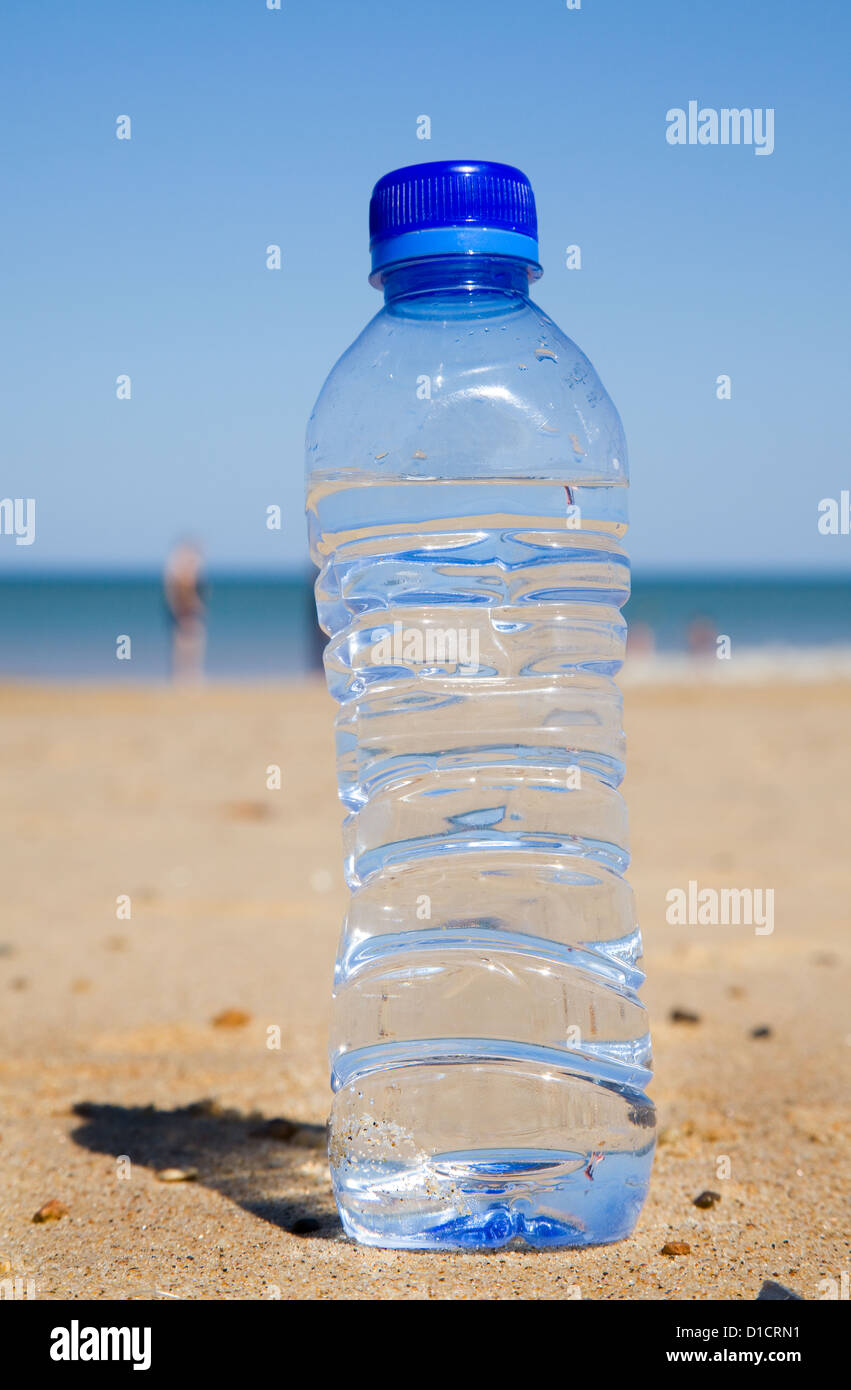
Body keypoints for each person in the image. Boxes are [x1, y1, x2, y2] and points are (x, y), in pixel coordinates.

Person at [164, 541, 206, 683]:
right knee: (182, 643)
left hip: (190, 611)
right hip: (182, 611)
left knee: (192, 642)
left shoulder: (190, 572)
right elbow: (174, 594)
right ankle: (182, 676)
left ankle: (190, 674)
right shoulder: (178, 573)